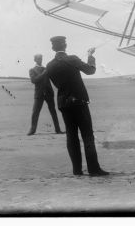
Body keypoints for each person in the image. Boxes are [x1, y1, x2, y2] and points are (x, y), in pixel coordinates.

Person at [39, 36, 109, 177]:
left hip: (63, 104)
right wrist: (90, 56)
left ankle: (77, 170)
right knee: (87, 135)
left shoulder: (50, 65)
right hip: (79, 102)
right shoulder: (72, 59)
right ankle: (93, 169)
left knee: (71, 136)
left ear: (53, 48)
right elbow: (90, 70)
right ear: (65, 45)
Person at [28, 54, 64, 135]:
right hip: (39, 94)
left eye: (41, 58)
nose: (40, 60)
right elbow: (34, 80)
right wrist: (44, 73)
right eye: (38, 58)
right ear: (35, 60)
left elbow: (54, 78)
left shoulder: (46, 69)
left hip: (49, 93)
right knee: (35, 112)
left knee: (53, 111)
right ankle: (32, 130)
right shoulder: (32, 70)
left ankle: (58, 130)